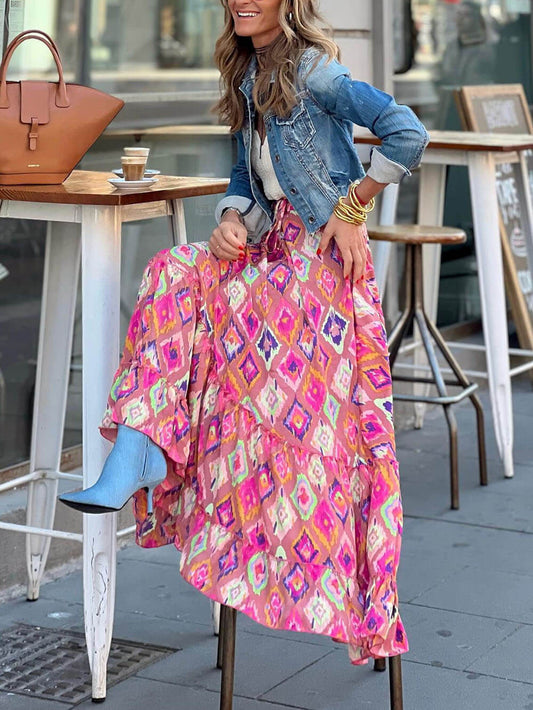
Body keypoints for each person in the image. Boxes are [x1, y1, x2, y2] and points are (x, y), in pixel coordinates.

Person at [60, 0, 428, 665]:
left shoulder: (314, 71)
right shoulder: (247, 76)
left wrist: (351, 208)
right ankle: (139, 446)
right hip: (268, 258)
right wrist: (231, 219)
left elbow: (405, 132)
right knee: (174, 270)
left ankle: (145, 453)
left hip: (316, 270)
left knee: (266, 407)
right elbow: (246, 177)